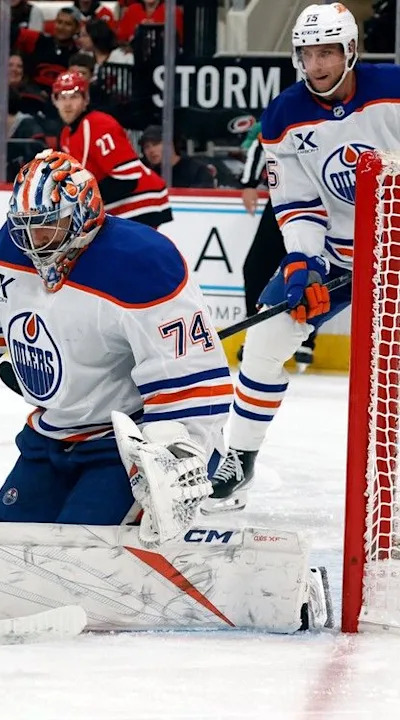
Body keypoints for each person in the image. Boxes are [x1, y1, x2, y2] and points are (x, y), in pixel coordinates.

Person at [0, 150, 330, 631]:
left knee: (78, 559)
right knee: (6, 554)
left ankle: (266, 585)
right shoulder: (8, 252)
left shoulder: (143, 265)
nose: (31, 242)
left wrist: (171, 459)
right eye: (24, 226)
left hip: (121, 446)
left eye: (46, 227)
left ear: (82, 218)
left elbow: (192, 385)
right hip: (48, 437)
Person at [206, 3, 390, 512]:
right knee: (265, 340)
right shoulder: (285, 116)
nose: (318, 65)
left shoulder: (394, 91)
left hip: (395, 252)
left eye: (328, 51)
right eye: (308, 53)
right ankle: (239, 457)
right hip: (339, 257)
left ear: (350, 51)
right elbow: (298, 203)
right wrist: (303, 263)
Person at [235, 123, 316, 370]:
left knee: (311, 267)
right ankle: (255, 333)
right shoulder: (289, 109)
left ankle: (306, 338)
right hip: (283, 200)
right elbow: (263, 137)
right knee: (256, 268)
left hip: (321, 205)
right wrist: (249, 183)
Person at [54, 70, 171, 228]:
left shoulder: (99, 125)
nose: (67, 104)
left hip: (142, 199)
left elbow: (128, 179)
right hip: (117, 204)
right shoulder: (66, 134)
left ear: (86, 99)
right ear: (55, 101)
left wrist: (85, 200)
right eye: (62, 97)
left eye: (74, 96)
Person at [139, 124, 214, 189]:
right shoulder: (145, 175)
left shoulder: (197, 171)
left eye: (156, 144)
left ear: (170, 144)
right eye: (146, 147)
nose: (151, 150)